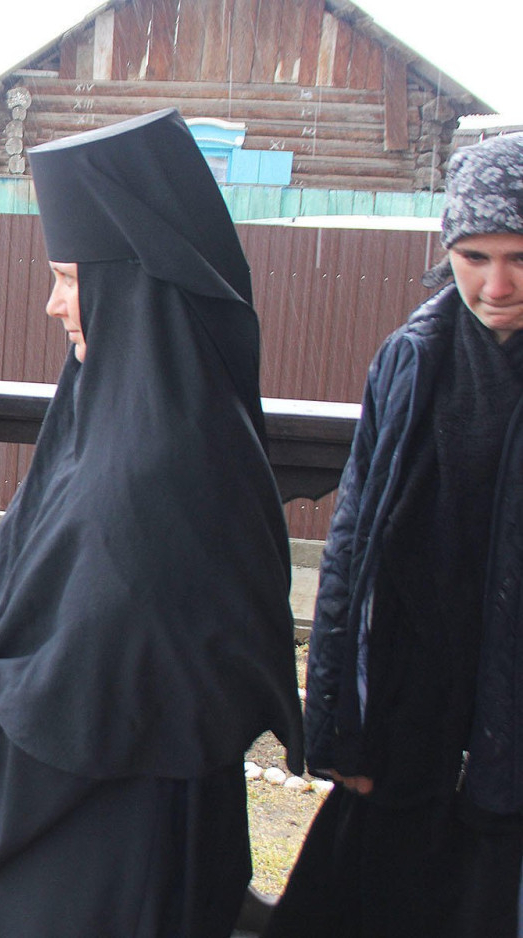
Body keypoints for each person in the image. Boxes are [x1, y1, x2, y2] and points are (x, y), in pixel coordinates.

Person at [0, 109, 304, 938]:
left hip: (102, 835)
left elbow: (108, 668)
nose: (52, 304)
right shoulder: (110, 418)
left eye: (68, 279)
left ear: (131, 285)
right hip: (84, 816)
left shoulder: (171, 462)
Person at [265, 134, 523, 937]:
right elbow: (352, 546)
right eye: (474, 257)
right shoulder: (412, 357)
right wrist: (337, 721)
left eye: (520, 257)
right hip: (412, 703)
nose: (497, 285)